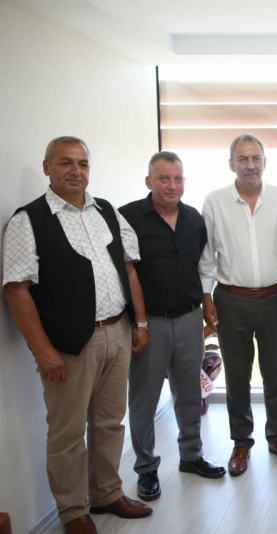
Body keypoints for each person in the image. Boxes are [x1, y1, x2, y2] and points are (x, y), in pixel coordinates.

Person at [2, 136, 152, 534]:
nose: (76, 171)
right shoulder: (28, 221)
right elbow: (16, 290)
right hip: (69, 344)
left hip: (117, 332)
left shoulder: (106, 211)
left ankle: (107, 493)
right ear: (47, 167)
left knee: (109, 423)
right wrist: (43, 351)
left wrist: (139, 323)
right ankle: (73, 511)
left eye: (82, 164)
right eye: (65, 162)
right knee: (67, 433)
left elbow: (128, 269)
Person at [119, 151, 226, 502]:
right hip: (150, 322)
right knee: (145, 398)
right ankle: (146, 469)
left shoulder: (194, 219)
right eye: (164, 178)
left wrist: (206, 302)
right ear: (148, 181)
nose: (172, 185)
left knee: (190, 393)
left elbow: (203, 266)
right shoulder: (128, 217)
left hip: (189, 318)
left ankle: (191, 456)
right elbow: (123, 272)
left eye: (178, 179)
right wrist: (137, 323)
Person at [199, 134, 277, 476]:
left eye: (256, 158)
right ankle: (241, 443)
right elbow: (206, 256)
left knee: (276, 375)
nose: (250, 165)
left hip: (276, 298)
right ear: (231, 164)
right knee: (238, 377)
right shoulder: (214, 202)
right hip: (231, 300)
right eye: (243, 159)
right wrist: (206, 296)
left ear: (264, 162)